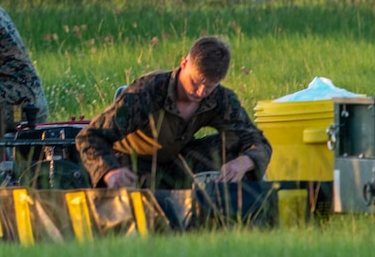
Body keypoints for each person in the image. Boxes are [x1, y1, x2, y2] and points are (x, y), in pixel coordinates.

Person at [75, 36, 269, 190]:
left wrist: (245, 162)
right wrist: (110, 172)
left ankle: (233, 216)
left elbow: (256, 140)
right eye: (195, 82)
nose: (201, 92)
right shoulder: (146, 92)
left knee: (235, 149)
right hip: (131, 163)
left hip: (177, 161)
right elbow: (89, 137)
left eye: (209, 87)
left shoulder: (220, 98)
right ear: (184, 63)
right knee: (137, 185)